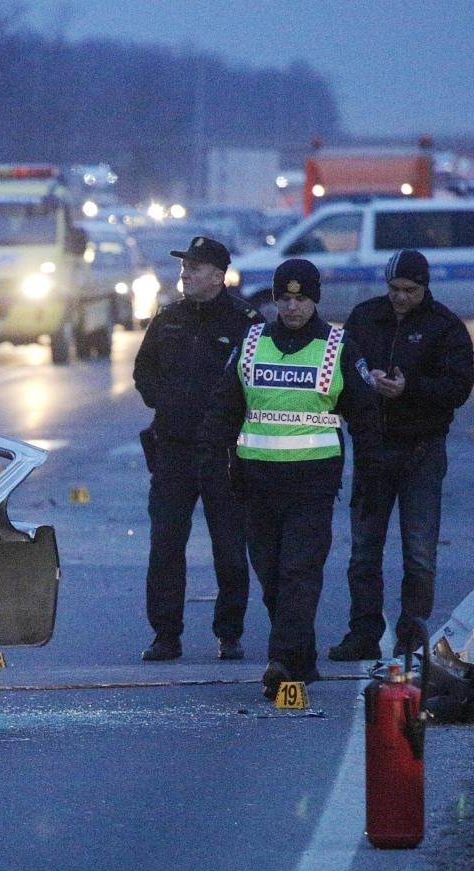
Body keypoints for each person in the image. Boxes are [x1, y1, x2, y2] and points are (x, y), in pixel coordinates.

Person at [199, 258, 381, 697]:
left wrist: (370, 478)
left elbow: (366, 416)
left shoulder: (339, 345)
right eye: (285, 298)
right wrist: (210, 461)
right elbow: (225, 406)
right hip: (256, 482)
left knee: (298, 572)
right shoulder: (252, 340)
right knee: (272, 576)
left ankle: (282, 661)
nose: (293, 307)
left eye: (301, 298)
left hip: (312, 484)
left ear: (314, 299)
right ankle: (303, 657)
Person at [329, 250, 474, 662]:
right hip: (373, 447)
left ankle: (412, 636)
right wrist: (365, 384)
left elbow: (458, 387)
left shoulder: (444, 327)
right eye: (394, 289)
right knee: (363, 550)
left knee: (419, 550)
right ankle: (363, 632)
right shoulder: (364, 317)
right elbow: (339, 367)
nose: (400, 298)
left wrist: (410, 388)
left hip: (422, 449)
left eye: (409, 291)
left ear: (424, 288)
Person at [133, 235, 262, 662]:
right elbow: (143, 369)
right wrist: (162, 400)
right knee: (166, 542)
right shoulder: (169, 319)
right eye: (184, 266)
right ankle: (165, 634)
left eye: (195, 268)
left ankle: (230, 632)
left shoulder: (246, 322)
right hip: (172, 448)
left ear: (218, 276)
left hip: (224, 452)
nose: (185, 274)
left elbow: (258, 383)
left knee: (228, 546)